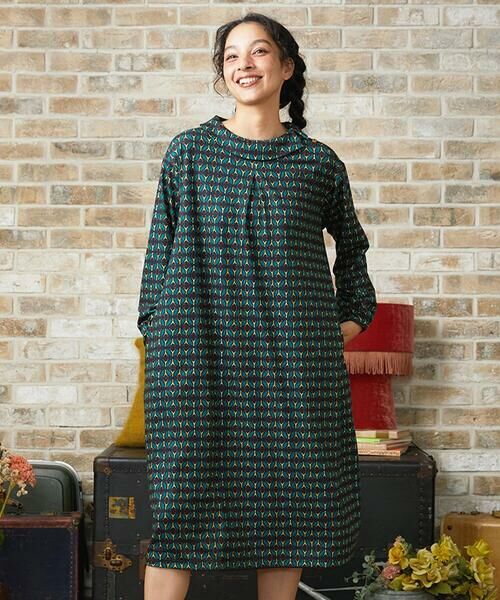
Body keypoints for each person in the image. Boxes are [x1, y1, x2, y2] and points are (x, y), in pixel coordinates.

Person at [138, 12, 377, 600]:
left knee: (289, 518)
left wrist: (346, 322)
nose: (244, 64)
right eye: (231, 56)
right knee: (180, 521)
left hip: (294, 372)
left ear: (286, 66)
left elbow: (353, 252)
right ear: (222, 74)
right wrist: (160, 334)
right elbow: (158, 257)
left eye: (259, 51)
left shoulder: (318, 163)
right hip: (199, 363)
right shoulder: (189, 153)